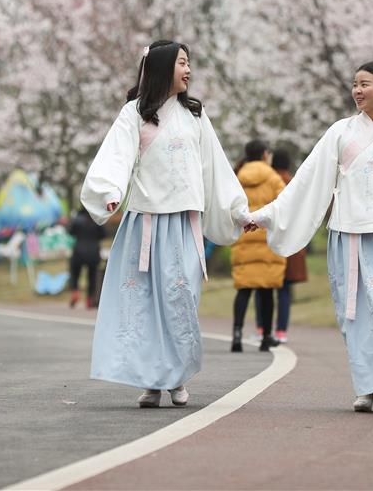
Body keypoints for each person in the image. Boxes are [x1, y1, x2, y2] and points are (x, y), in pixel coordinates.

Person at [247, 61, 373, 412]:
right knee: (359, 316)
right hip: (349, 235)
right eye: (355, 84)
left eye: (364, 84)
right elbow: (306, 181)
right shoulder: (340, 132)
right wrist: (265, 216)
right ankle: (367, 386)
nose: (357, 90)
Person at [81, 40, 248, 408]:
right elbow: (116, 157)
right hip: (145, 225)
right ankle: (152, 382)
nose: (188, 70)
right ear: (161, 68)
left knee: (180, 298)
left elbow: (215, 168)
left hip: (184, 224)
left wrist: (236, 210)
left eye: (189, 63)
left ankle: (176, 377)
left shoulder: (195, 115)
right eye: (181, 63)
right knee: (143, 302)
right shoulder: (134, 113)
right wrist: (110, 192)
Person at [230, 139, 286, 352]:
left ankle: (237, 334)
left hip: (244, 238)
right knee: (266, 291)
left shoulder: (237, 177)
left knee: (243, 289)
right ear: (264, 154)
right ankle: (266, 337)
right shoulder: (273, 178)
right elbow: (283, 204)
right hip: (265, 240)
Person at [253, 148, 308, 344]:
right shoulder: (294, 183)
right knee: (284, 290)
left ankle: (262, 329)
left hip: (268, 241)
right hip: (291, 242)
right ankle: (282, 331)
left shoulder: (268, 182)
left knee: (262, 287)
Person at [67, 208, 105, 309]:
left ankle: (75, 291)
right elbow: (103, 235)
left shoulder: (77, 219)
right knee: (92, 276)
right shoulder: (97, 219)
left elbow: (70, 232)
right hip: (93, 252)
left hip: (79, 250)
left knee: (75, 273)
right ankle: (89, 299)